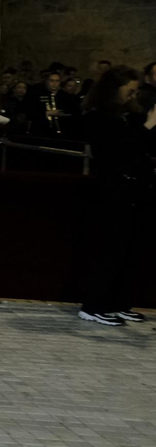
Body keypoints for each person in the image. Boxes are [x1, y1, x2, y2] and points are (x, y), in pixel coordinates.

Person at [75, 66, 155, 326]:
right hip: (111, 190)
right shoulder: (98, 117)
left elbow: (144, 147)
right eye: (128, 91)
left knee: (131, 251)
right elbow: (118, 151)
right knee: (110, 250)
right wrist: (148, 126)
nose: (133, 96)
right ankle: (93, 305)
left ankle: (119, 302)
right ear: (113, 89)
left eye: (135, 91)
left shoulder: (130, 115)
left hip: (135, 189)